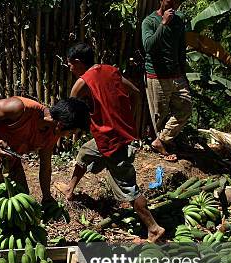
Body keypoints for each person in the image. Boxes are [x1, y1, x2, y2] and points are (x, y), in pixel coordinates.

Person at [55, 43, 165, 243]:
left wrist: (73, 126)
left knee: (128, 188)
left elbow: (71, 109)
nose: (69, 68)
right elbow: (135, 93)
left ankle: (153, 228)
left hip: (112, 142)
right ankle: (70, 190)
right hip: (113, 135)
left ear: (78, 63)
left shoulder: (82, 83)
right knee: (85, 153)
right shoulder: (111, 70)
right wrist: (125, 118)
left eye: (70, 64)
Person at [0, 96, 90, 244]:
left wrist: (46, 195)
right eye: (72, 131)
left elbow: (45, 165)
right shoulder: (21, 108)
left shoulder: (52, 134)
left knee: (24, 205)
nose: (70, 136)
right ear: (60, 124)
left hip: (12, 159)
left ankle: (20, 243)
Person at [142, 0, 192, 162]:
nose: (174, 4)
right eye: (170, 0)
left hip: (176, 75)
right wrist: (163, 23)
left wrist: (183, 74)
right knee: (159, 114)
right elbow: (148, 46)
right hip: (157, 75)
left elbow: (181, 48)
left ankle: (161, 140)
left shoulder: (179, 21)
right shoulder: (149, 21)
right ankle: (156, 143)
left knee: (185, 108)